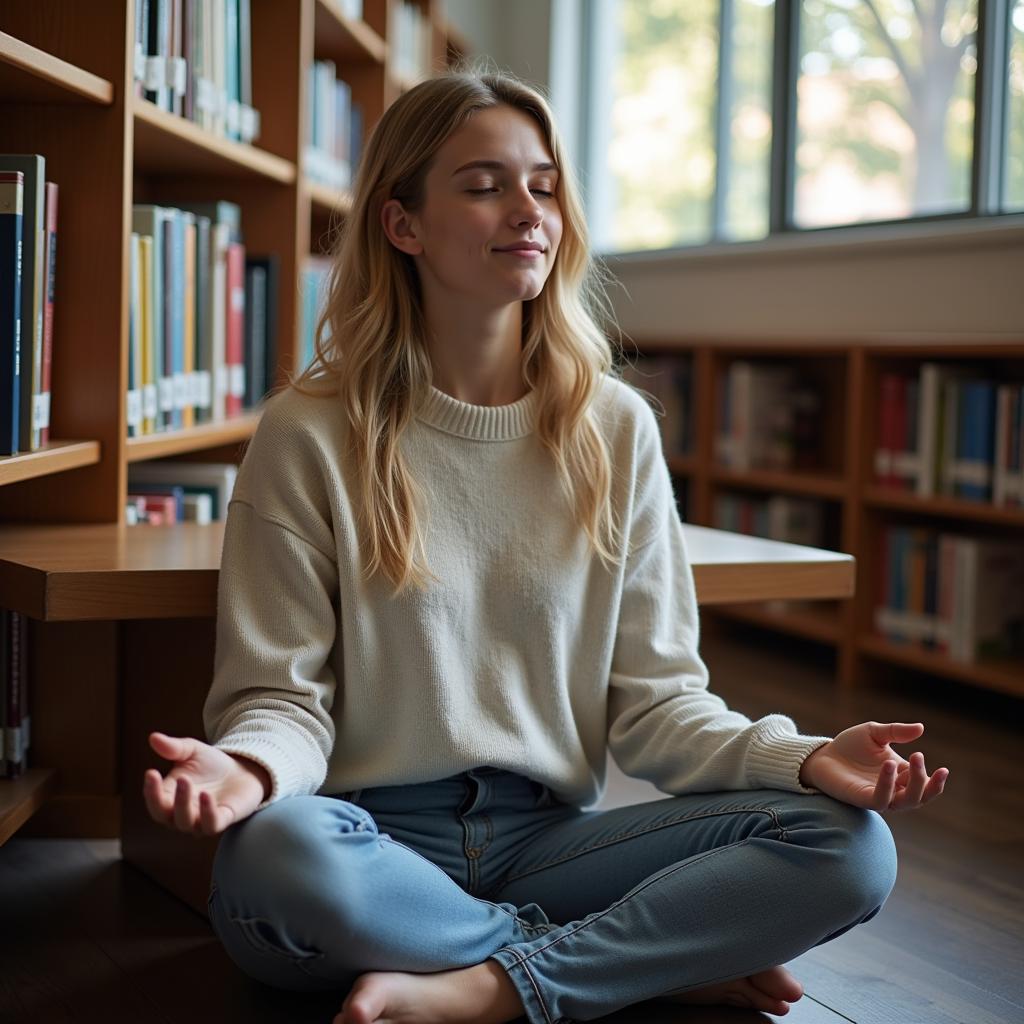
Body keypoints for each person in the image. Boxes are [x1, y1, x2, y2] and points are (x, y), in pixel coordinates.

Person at [142, 59, 949, 1024]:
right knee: (278, 858)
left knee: (852, 846)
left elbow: (658, 709)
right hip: (366, 845)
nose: (527, 209)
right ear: (402, 226)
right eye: (483, 187)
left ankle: (490, 987)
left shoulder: (615, 429)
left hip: (553, 843)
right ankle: (626, 966)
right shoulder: (308, 432)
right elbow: (282, 698)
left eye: (544, 186)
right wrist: (250, 768)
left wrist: (806, 760)